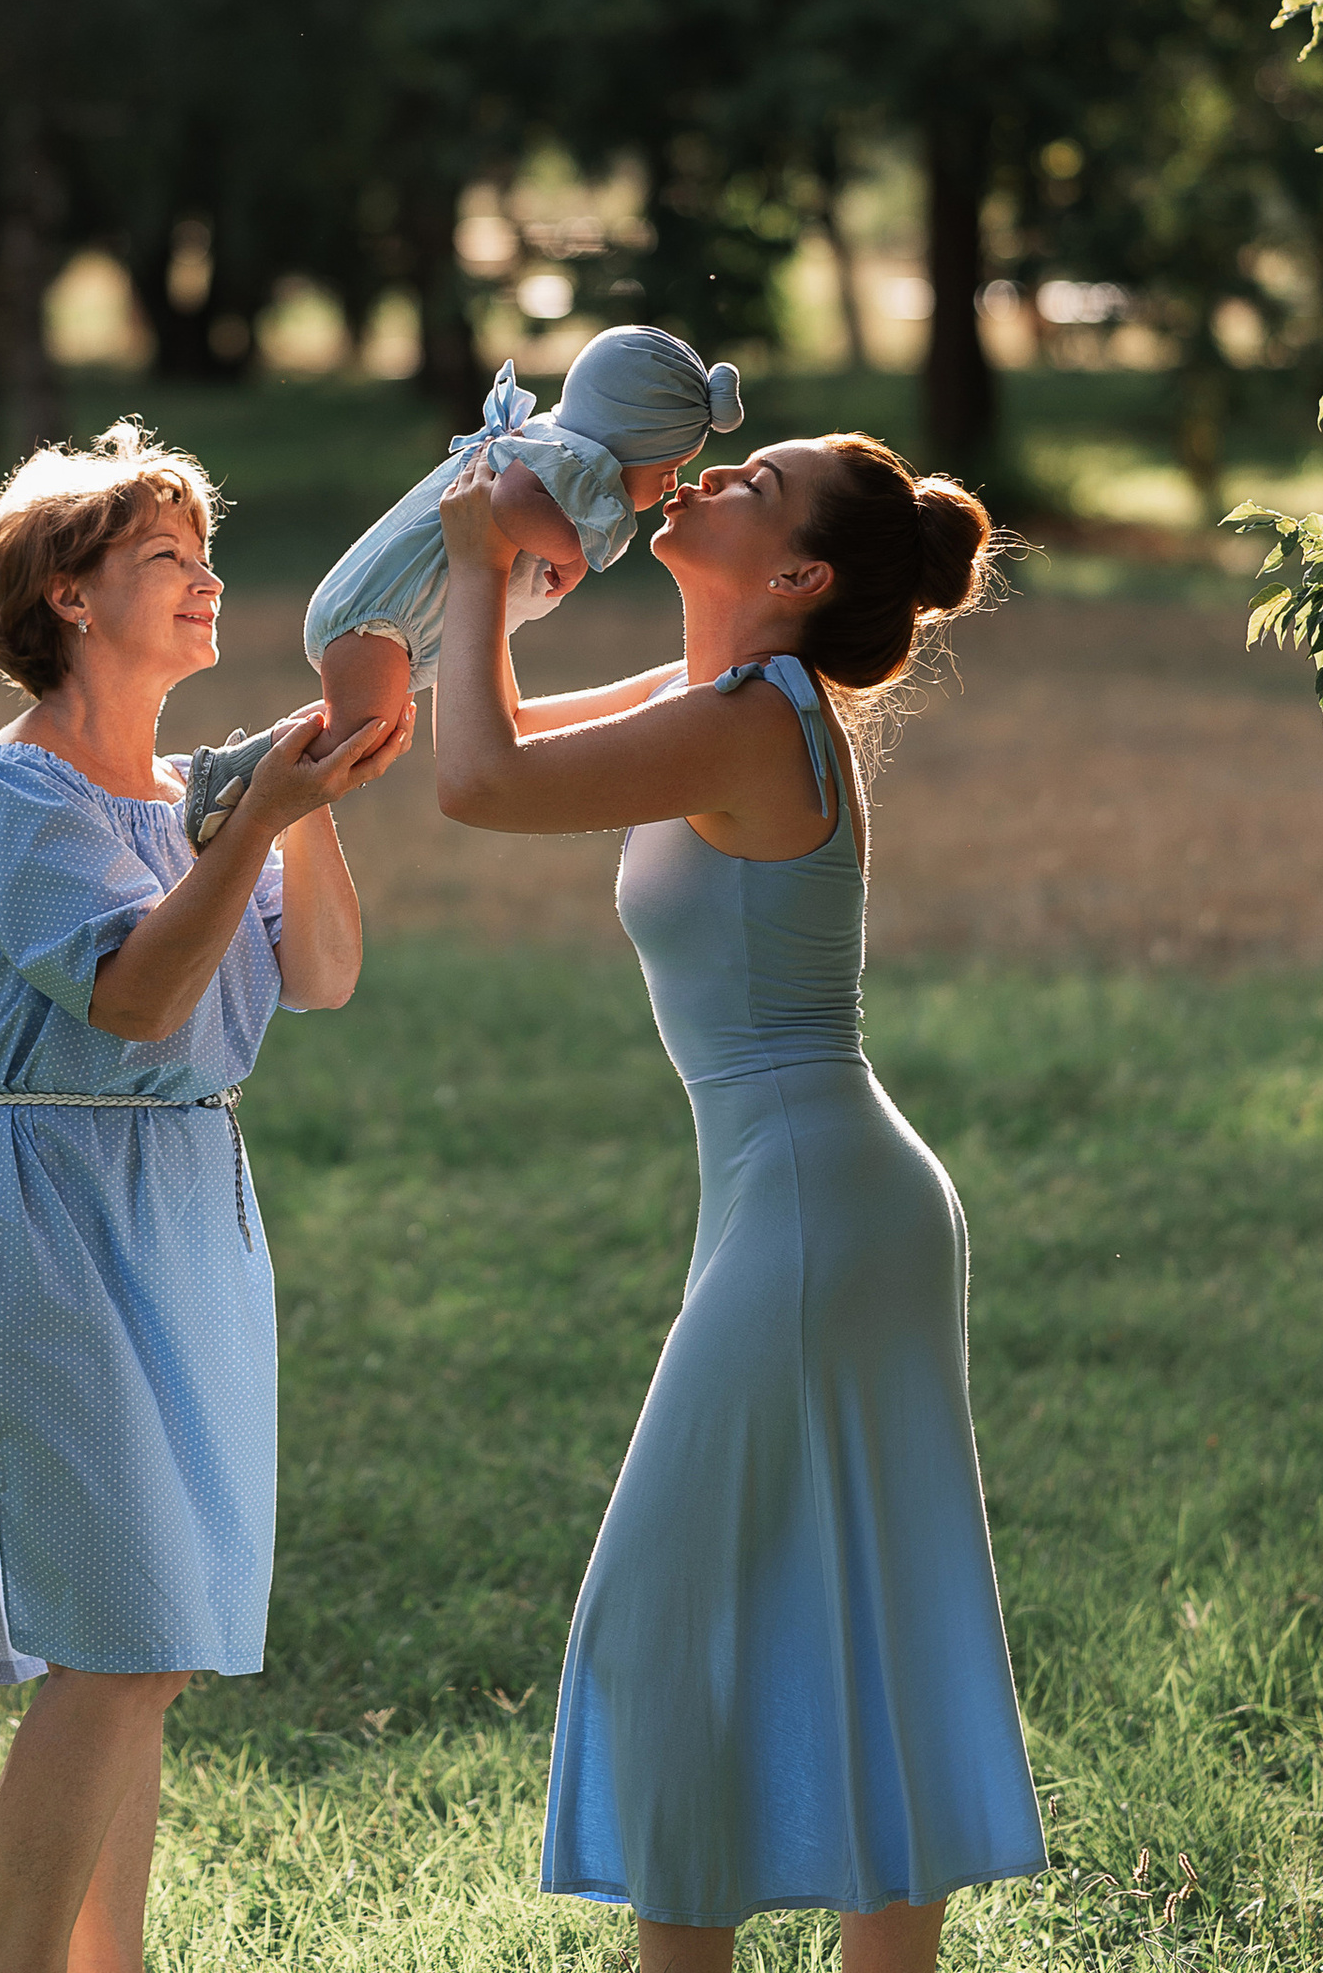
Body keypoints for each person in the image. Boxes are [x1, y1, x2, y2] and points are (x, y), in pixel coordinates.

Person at [432, 432, 1045, 1973]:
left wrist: (467, 560)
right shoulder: (718, 705)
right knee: (852, 1618)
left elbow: (480, 780)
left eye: (752, 487)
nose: (708, 481)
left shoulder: (746, 730)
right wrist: (496, 581)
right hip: (810, 1198)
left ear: (797, 578)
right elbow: (481, 724)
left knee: (662, 1622)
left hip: (817, 1213)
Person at [0, 419, 412, 1973]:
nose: (207, 582)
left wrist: (293, 808)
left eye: (206, 555)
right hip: (35, 1207)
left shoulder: (199, 787)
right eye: (164, 560)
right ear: (65, 595)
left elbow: (317, 977)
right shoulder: (6, 800)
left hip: (185, 1211)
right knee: (111, 1650)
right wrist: (249, 820)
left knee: (150, 1647)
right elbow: (130, 998)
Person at [175, 326, 742, 847]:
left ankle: (241, 784)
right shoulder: (556, 457)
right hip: (382, 611)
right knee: (357, 733)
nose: (672, 483)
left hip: (405, 620)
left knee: (364, 729)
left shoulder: (559, 455)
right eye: (668, 467)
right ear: (631, 441)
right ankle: (231, 778)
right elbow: (511, 503)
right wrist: (569, 548)